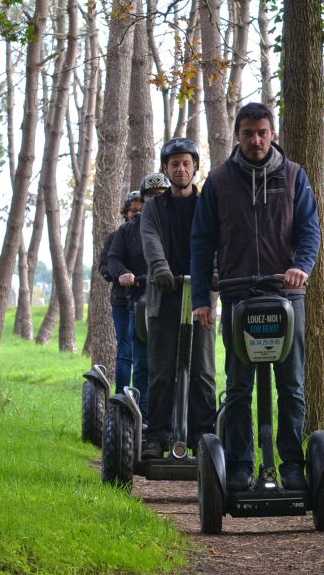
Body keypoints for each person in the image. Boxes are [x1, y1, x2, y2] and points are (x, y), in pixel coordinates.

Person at [191, 102, 321, 492]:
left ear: (273, 133)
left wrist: (302, 266)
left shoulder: (295, 177)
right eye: (248, 133)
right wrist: (201, 298)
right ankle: (241, 466)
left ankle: (293, 465)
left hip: (286, 294)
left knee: (292, 384)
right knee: (238, 387)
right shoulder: (218, 182)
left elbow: (309, 230)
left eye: (262, 132)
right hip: (237, 294)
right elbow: (201, 242)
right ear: (237, 135)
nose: (256, 139)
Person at [140, 138, 216, 459]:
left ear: (195, 167)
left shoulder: (207, 204)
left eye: (186, 163)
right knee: (161, 370)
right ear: (165, 169)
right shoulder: (153, 208)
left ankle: (203, 436)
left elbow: (218, 239)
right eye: (174, 164)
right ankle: (157, 435)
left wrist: (213, 272)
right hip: (165, 294)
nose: (181, 169)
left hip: (199, 297)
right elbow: (151, 239)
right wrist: (160, 269)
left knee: (202, 370)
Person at [106, 174, 169, 423]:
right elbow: (112, 258)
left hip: (173, 301)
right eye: (151, 197)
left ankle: (175, 421)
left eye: (162, 196)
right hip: (139, 302)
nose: (157, 201)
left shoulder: (184, 223)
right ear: (144, 201)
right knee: (139, 360)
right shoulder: (128, 230)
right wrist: (123, 274)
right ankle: (140, 420)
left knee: (173, 364)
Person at [99, 191, 143, 398]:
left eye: (141, 210)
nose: (137, 214)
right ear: (125, 213)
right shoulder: (116, 237)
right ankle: (122, 397)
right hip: (122, 299)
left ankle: (143, 397)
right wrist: (118, 275)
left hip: (145, 299)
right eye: (133, 211)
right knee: (125, 350)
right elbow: (105, 265)